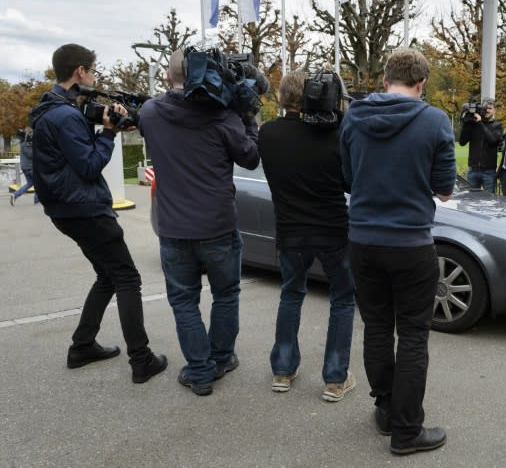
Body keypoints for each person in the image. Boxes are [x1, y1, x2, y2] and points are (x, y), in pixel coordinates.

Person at [340, 48, 456, 455]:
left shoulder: (354, 115)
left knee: (376, 327)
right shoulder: (434, 120)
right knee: (412, 336)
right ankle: (407, 431)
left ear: (385, 77)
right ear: (421, 83)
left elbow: (349, 179)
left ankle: (387, 410)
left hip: (364, 241)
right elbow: (444, 188)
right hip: (410, 244)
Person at [30, 43, 167, 383]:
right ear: (79, 72)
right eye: (92, 71)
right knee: (127, 277)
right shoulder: (65, 116)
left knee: (107, 275)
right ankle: (141, 359)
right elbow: (90, 166)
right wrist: (109, 132)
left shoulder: (51, 109)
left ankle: (82, 346)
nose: (93, 77)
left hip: (65, 208)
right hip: (86, 209)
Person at [139, 49, 261, 396]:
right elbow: (250, 157)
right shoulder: (222, 116)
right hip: (218, 226)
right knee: (225, 295)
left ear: (168, 75)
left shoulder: (150, 112)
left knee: (184, 301)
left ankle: (200, 371)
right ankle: (221, 359)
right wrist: (248, 116)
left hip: (174, 229)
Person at [258, 70, 357, 402]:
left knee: (291, 294)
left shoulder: (268, 133)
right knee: (342, 300)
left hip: (290, 232)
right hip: (333, 230)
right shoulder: (335, 134)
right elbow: (350, 183)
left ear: (284, 98)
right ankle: (334, 379)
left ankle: (283, 371)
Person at [458, 98, 503, 192]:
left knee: (489, 201)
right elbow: (462, 142)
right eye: (485, 108)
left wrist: (480, 123)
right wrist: (467, 123)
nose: (486, 110)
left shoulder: (497, 125)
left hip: (488, 171)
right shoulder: (474, 124)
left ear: (495, 110)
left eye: (489, 108)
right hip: (472, 170)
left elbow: (493, 140)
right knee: (471, 201)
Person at [10, 127, 38, 205]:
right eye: (30, 133)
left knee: (30, 183)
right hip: (30, 167)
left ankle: (15, 195)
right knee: (39, 183)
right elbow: (31, 155)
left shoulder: (25, 143)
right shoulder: (26, 144)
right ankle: (37, 201)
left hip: (26, 167)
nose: (32, 134)